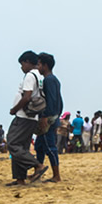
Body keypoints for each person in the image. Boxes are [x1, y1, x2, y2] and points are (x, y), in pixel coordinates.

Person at [6, 51, 49, 185]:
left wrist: (14, 109)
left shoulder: (30, 76)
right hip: (32, 117)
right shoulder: (40, 77)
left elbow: (27, 97)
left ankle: (37, 165)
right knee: (22, 147)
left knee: (12, 143)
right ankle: (20, 178)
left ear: (28, 62)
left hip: (23, 116)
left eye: (22, 64)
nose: (21, 67)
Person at [34, 51, 63, 182]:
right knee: (39, 147)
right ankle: (37, 172)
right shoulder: (54, 80)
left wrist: (46, 116)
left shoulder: (49, 80)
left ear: (45, 65)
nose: (37, 67)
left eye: (39, 64)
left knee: (50, 147)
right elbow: (60, 101)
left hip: (48, 118)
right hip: (53, 116)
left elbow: (51, 100)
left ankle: (56, 175)